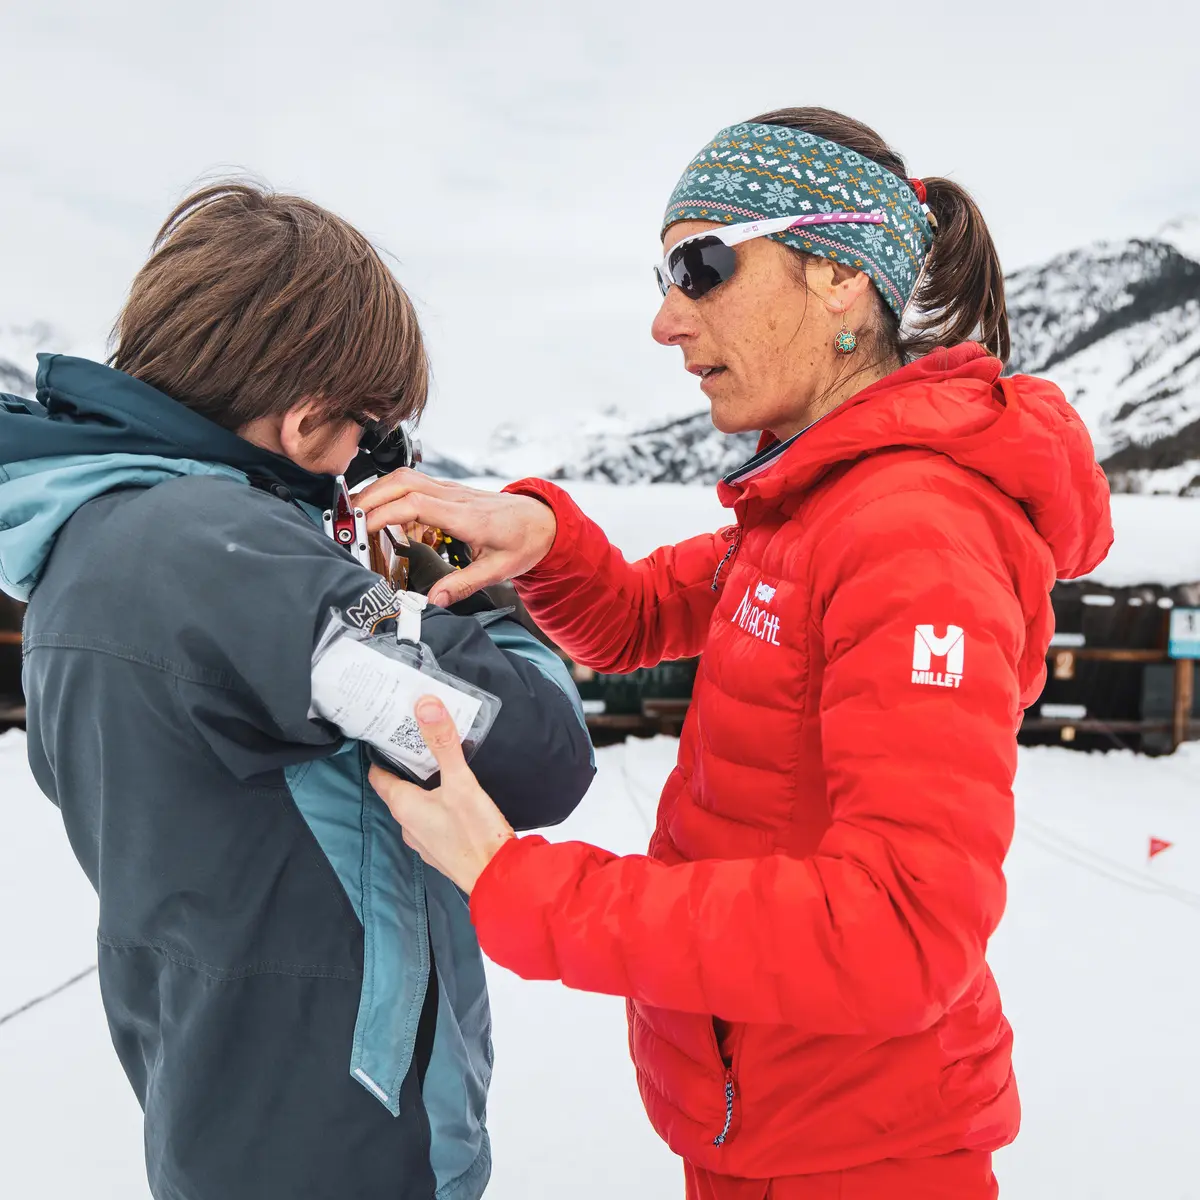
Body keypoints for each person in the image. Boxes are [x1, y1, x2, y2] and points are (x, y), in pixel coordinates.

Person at [360, 107, 1114, 1199]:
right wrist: (544, 537)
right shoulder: (809, 504)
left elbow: (901, 932)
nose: (667, 319)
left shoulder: (910, 530)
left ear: (841, 278)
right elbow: (635, 617)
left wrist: (522, 885)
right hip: (763, 1118)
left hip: (859, 1151)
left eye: (702, 266)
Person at [0, 183, 595, 1200]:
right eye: (370, 435)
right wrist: (465, 592)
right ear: (308, 418)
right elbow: (534, 752)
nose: (367, 463)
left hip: (224, 1095)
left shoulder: (92, 536)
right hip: (345, 1133)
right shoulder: (227, 561)